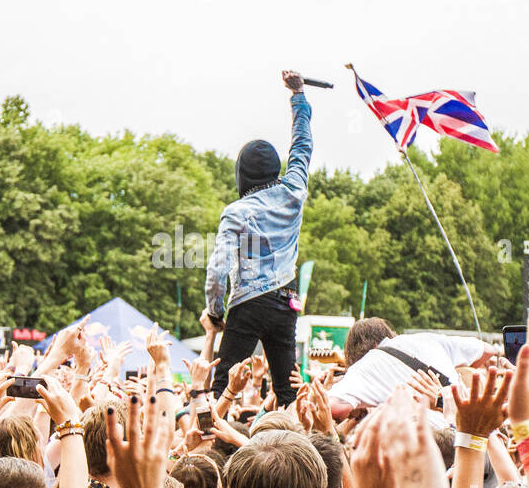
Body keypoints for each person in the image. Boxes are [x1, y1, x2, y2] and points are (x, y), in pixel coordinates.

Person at [204, 70, 315, 408]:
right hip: (286, 302)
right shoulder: (294, 189)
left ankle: (211, 447)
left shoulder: (236, 211)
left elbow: (217, 267)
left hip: (249, 303)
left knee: (222, 384)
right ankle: (294, 449)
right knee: (286, 388)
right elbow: (302, 145)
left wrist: (214, 310)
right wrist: (298, 96)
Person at [328, 316, 499, 420]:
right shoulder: (425, 339)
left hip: (429, 449)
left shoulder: (364, 366)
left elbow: (335, 407)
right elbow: (488, 350)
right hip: (467, 431)